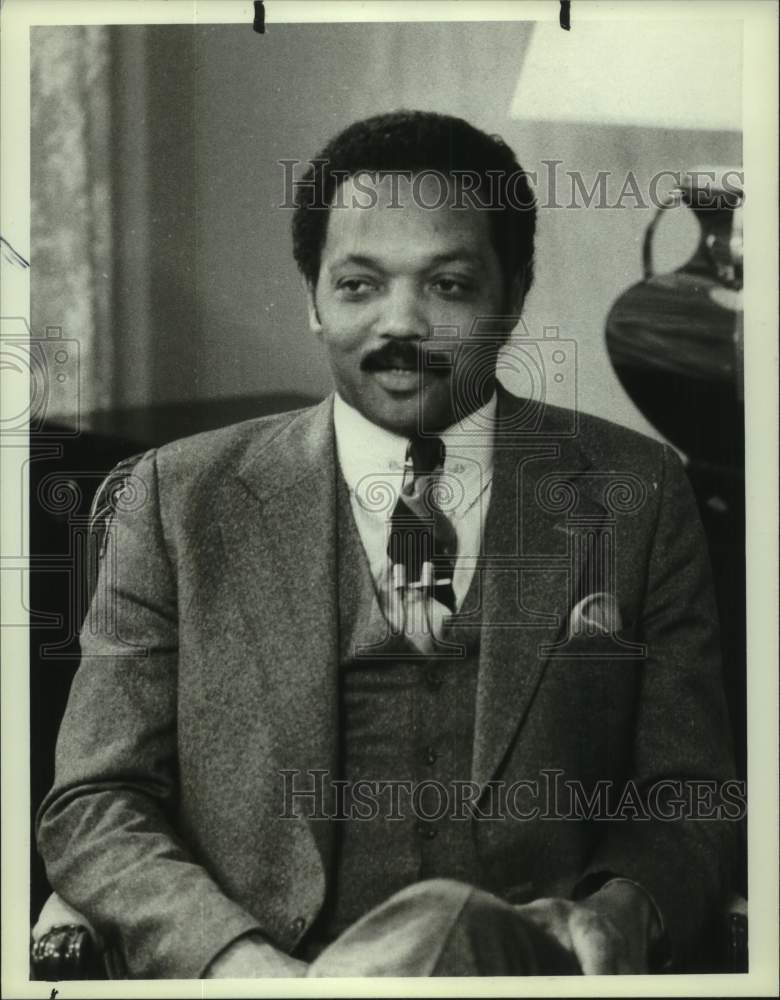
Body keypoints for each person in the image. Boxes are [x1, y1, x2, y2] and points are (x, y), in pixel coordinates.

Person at [36, 110, 737, 979]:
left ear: (514, 293)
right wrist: (235, 961)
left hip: (527, 978)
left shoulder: (637, 494)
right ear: (312, 299)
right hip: (278, 979)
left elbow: (694, 794)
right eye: (360, 286)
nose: (400, 325)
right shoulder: (180, 500)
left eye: (447, 286)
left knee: (458, 928)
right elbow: (96, 802)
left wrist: (622, 909)